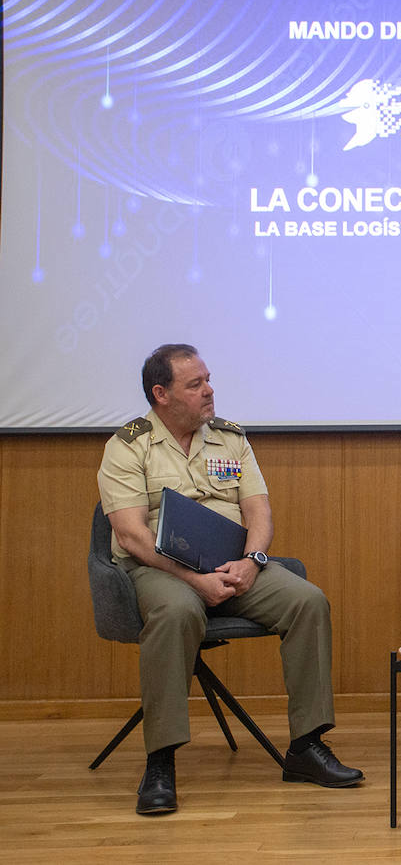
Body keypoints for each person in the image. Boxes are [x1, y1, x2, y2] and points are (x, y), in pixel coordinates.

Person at [96, 344, 362, 816]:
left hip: (233, 565)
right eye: (195, 384)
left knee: (308, 601)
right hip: (161, 569)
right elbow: (130, 535)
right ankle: (161, 761)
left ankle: (306, 746)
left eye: (208, 379)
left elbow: (258, 509)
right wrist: (192, 581)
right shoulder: (128, 445)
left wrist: (254, 561)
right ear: (161, 394)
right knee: (176, 611)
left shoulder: (230, 438)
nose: (209, 390)